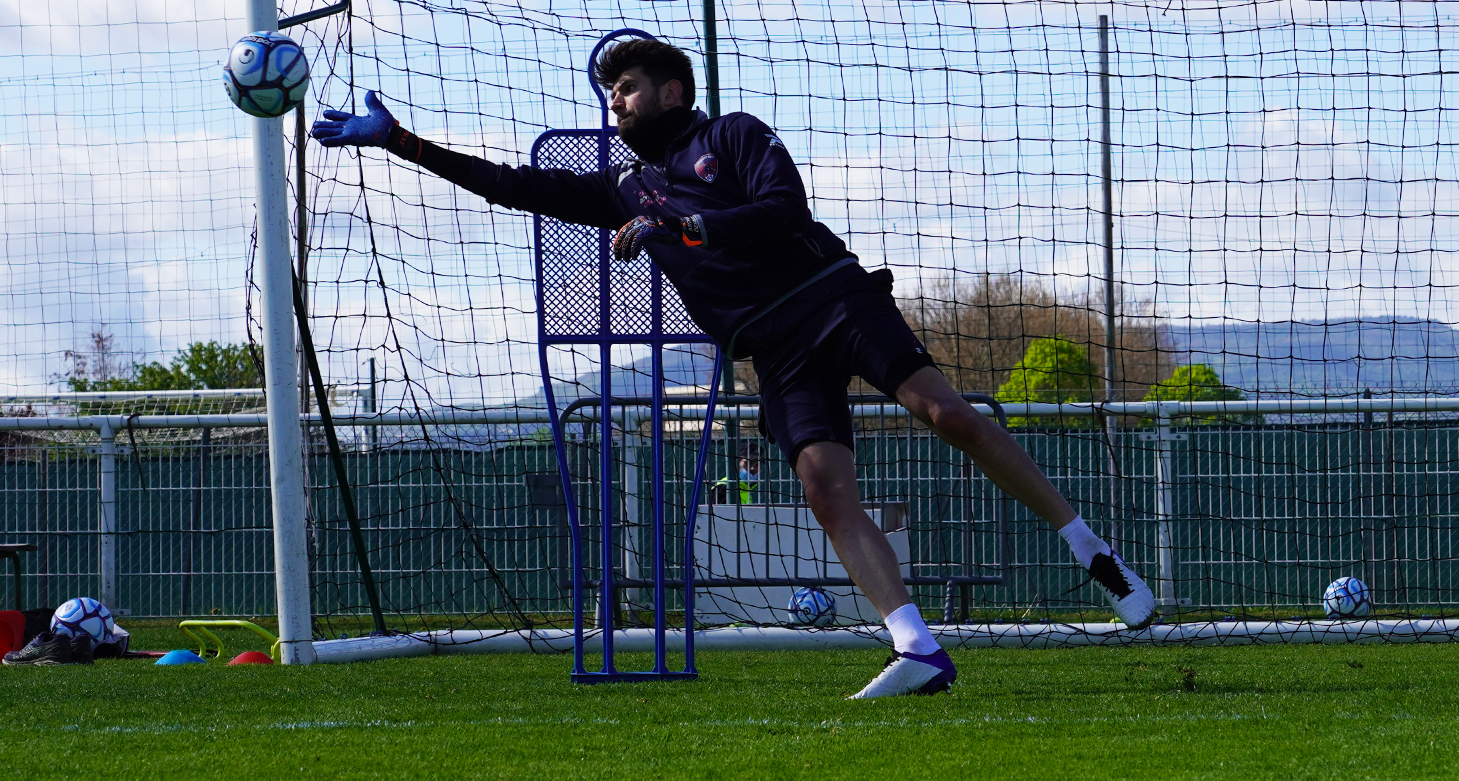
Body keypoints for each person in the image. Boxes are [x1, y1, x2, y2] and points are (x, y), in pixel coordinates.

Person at [311, 36, 1156, 698]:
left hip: (835, 298)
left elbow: (783, 210)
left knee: (950, 416)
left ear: (673, 90)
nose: (618, 101)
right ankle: (917, 648)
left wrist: (684, 230)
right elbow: (510, 185)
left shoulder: (734, 135)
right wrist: (400, 143)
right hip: (775, 348)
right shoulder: (622, 188)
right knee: (826, 490)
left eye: (630, 87)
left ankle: (1092, 552)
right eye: (611, 93)